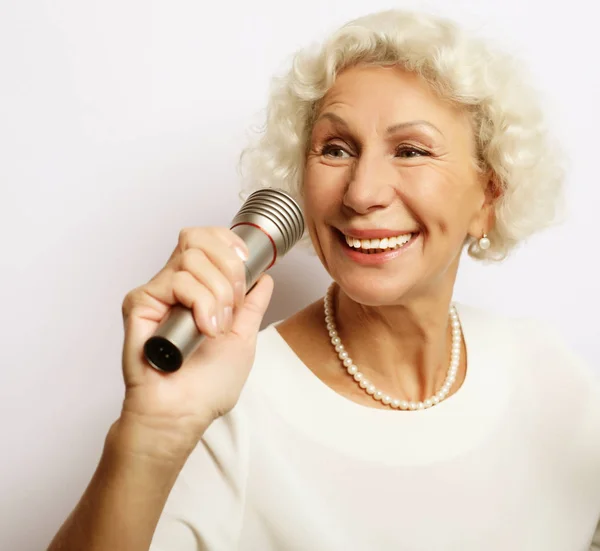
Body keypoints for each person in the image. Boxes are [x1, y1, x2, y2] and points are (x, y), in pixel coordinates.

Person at [48, 8, 600, 551]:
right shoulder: (223, 403)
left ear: (489, 198)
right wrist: (152, 436)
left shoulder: (549, 373)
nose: (361, 193)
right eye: (336, 149)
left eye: (410, 151)